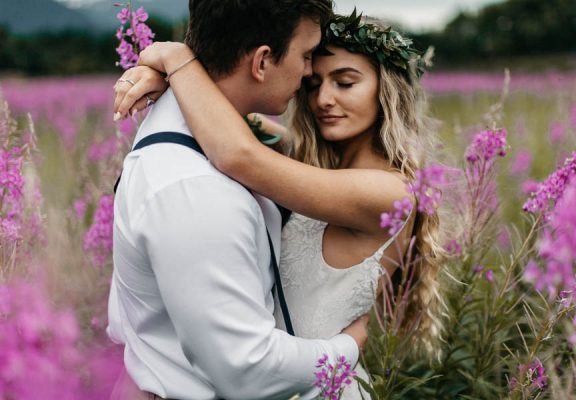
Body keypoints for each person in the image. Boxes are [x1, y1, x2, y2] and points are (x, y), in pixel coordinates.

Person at [114, 10, 447, 399]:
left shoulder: (389, 193)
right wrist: (167, 79)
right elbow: (231, 117)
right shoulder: (313, 165)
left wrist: (174, 59)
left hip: (321, 385)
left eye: (345, 82)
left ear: (386, 90)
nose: (324, 99)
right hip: (290, 379)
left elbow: (238, 153)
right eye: (313, 82)